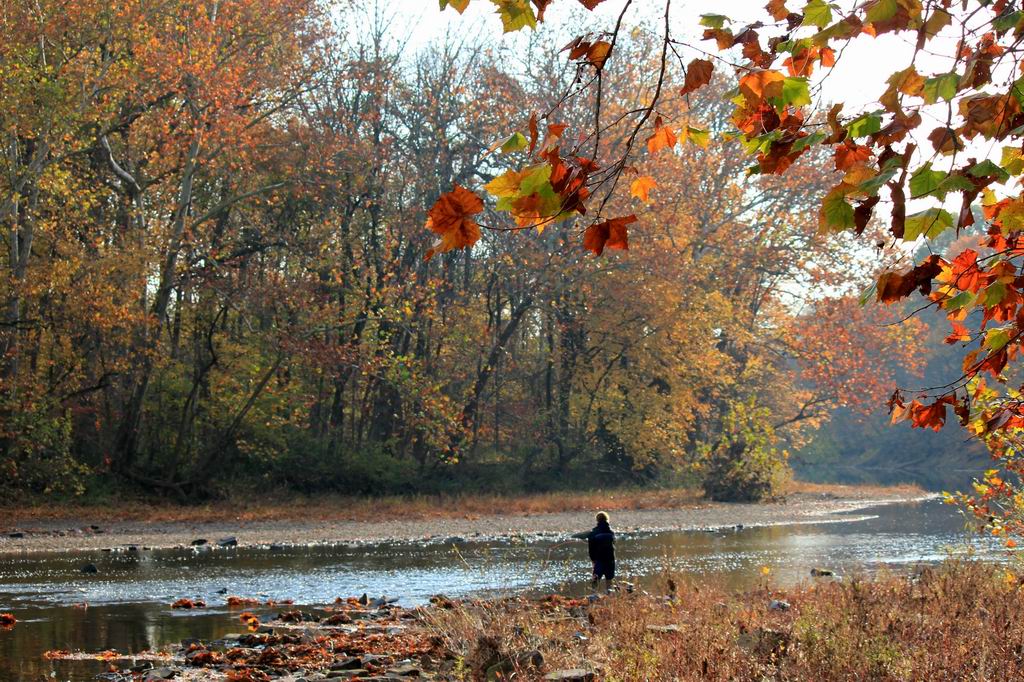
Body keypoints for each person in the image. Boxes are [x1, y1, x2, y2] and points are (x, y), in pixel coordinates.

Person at [573, 511, 615, 592]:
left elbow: (591, 549)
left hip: (599, 560)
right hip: (610, 560)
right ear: (607, 519)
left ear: (597, 520)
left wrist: (593, 560)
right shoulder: (611, 532)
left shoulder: (593, 532)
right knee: (609, 581)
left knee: (595, 582)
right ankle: (610, 597)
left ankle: (593, 597)